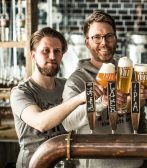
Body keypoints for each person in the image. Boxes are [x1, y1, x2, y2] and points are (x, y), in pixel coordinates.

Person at [61, 10, 147, 168]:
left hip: (135, 164)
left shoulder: (129, 73)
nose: (104, 43)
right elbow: (68, 123)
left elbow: (140, 121)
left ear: (115, 39)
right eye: (96, 37)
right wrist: (100, 104)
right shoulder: (77, 80)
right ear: (87, 42)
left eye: (109, 36)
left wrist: (138, 101)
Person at [10, 27, 98, 168]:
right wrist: (79, 99)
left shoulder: (67, 85)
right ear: (33, 55)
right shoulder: (21, 92)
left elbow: (85, 115)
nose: (52, 56)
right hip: (34, 164)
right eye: (46, 51)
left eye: (57, 51)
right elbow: (41, 123)